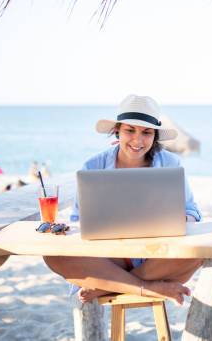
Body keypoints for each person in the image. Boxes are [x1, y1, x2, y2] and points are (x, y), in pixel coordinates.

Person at [43, 95, 203, 305]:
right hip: (109, 257)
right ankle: (148, 288)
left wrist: (179, 220)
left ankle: (109, 285)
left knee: (200, 253)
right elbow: (79, 219)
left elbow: (192, 212)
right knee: (52, 255)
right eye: (130, 130)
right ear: (117, 130)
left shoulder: (171, 162)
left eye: (146, 132)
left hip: (156, 256)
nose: (138, 140)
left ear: (154, 136)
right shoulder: (93, 165)